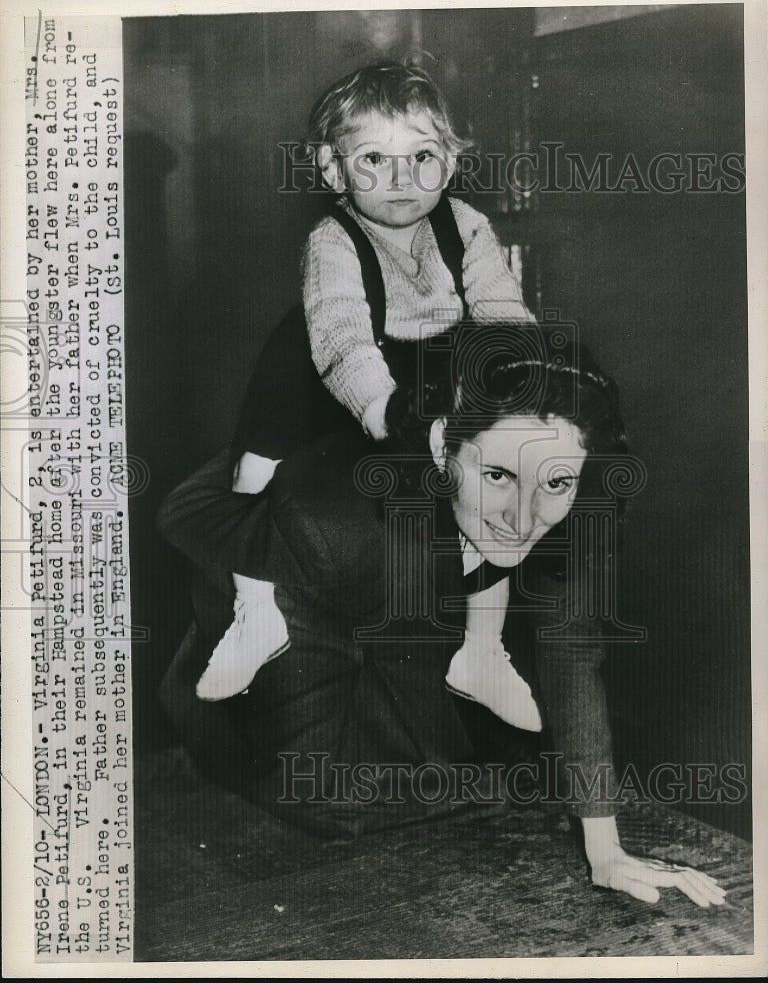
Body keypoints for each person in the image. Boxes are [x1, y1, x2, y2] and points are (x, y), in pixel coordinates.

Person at [158, 325, 726, 907]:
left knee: (455, 769)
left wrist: (605, 850)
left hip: (395, 598)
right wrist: (251, 608)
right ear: (441, 449)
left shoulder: (568, 513)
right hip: (270, 613)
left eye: (556, 483)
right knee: (344, 799)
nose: (523, 519)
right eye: (498, 476)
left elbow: (572, 654)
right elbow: (189, 515)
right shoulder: (332, 526)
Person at [196, 62, 537, 717]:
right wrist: (387, 414)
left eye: (423, 157)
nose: (403, 179)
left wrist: (505, 387)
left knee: (488, 485)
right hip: (320, 360)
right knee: (254, 472)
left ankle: (483, 652)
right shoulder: (333, 240)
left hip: (429, 363)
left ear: (453, 160)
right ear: (333, 168)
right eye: (375, 158)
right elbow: (344, 344)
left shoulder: (465, 228)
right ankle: (255, 613)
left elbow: (502, 315)